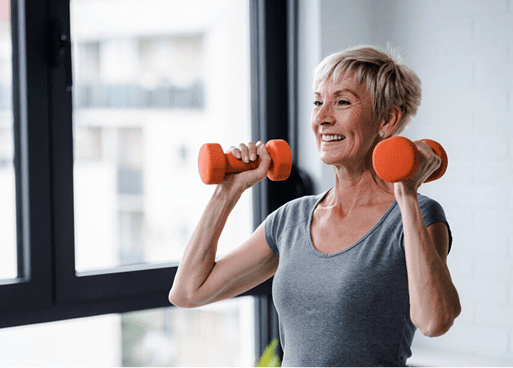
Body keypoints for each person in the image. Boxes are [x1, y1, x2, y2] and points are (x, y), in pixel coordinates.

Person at [169, 45, 461, 367]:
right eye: (318, 102)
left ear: (388, 119)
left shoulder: (416, 216)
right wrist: (227, 192)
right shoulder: (291, 220)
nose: (322, 118)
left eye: (343, 102)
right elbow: (188, 292)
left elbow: (435, 320)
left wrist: (405, 191)